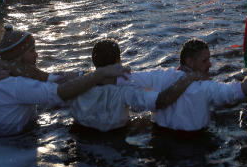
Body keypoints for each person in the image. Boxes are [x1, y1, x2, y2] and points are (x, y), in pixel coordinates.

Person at [0, 27, 129, 136]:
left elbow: (51, 78)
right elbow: (61, 92)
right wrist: (99, 74)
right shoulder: (18, 85)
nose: (37, 55)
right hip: (10, 142)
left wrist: (86, 74)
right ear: (18, 57)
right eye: (32, 51)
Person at [124, 38, 247, 134]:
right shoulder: (206, 88)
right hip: (194, 146)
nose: (210, 64)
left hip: (160, 141)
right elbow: (242, 90)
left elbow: (124, 79)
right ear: (189, 62)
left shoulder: (159, 76)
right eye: (205, 61)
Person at [69, 39, 197, 132]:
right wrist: (188, 79)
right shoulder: (125, 91)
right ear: (118, 61)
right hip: (115, 141)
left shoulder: (77, 84)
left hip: (82, 137)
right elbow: (161, 101)